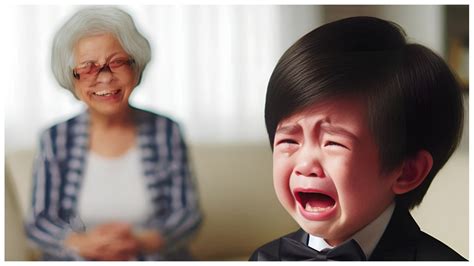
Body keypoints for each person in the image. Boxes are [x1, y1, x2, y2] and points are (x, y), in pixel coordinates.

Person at [250, 16, 466, 261]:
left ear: (407, 171)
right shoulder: (264, 258)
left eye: (333, 143)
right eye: (289, 141)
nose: (306, 165)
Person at [25, 6, 202, 261]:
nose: (105, 78)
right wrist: (82, 243)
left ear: (136, 67)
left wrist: (141, 241)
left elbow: (187, 214)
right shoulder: (54, 139)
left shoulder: (167, 131)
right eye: (88, 67)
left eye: (117, 62)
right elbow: (38, 222)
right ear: (71, 78)